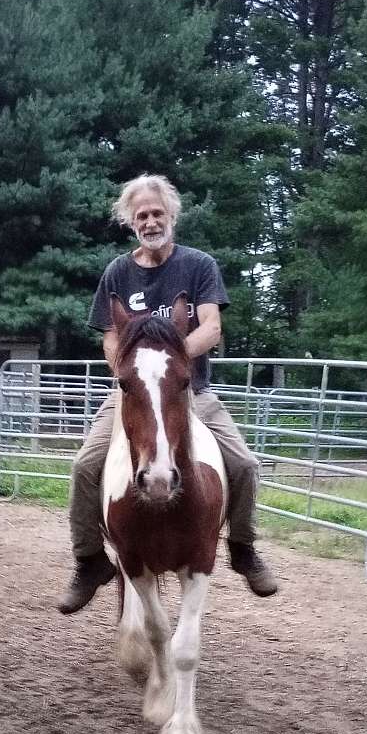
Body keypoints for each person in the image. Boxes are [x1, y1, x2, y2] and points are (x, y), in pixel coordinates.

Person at [58, 173, 278, 614]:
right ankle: (89, 560)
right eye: (141, 215)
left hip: (187, 390)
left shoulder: (199, 266)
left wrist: (170, 364)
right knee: (84, 465)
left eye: (158, 213)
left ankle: (242, 546)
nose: (151, 221)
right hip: (134, 392)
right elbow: (108, 338)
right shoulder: (117, 272)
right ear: (130, 221)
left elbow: (211, 328)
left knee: (245, 464)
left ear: (172, 215)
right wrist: (132, 371)